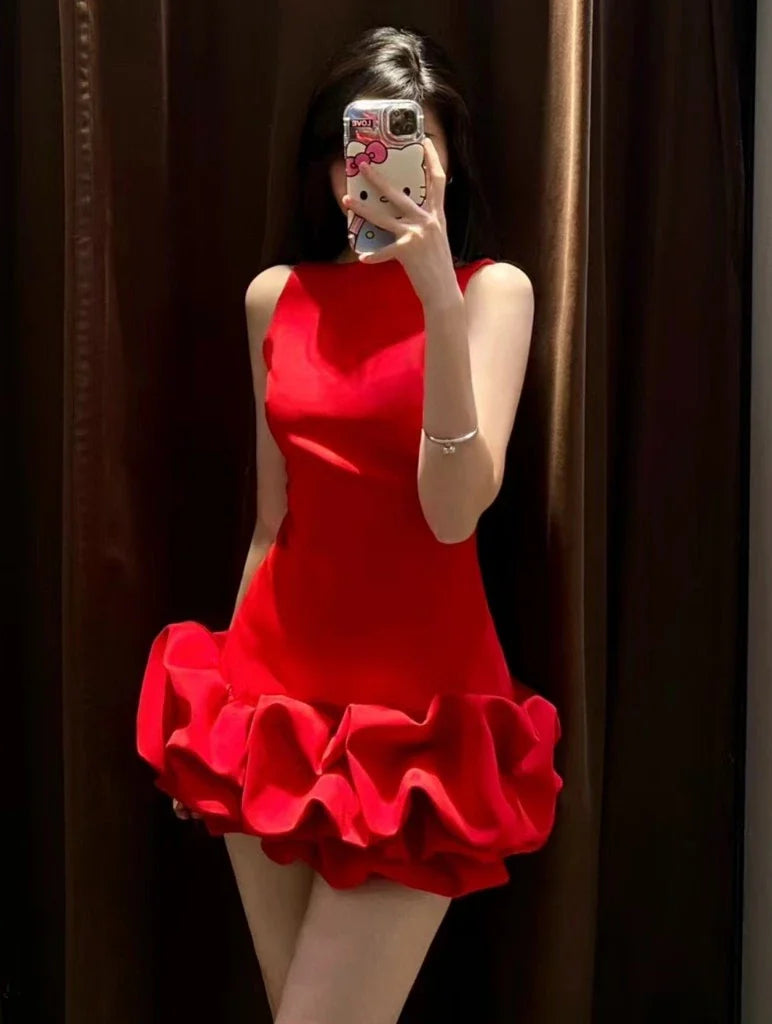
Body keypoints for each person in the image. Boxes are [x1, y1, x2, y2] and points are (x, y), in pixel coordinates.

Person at [135, 25, 563, 1024]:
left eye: (409, 151)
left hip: (419, 729)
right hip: (272, 704)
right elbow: (269, 522)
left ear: (447, 166)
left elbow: (452, 514)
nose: (367, 177)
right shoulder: (276, 298)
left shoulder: (492, 294)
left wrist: (436, 299)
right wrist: (219, 724)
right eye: (350, 151)